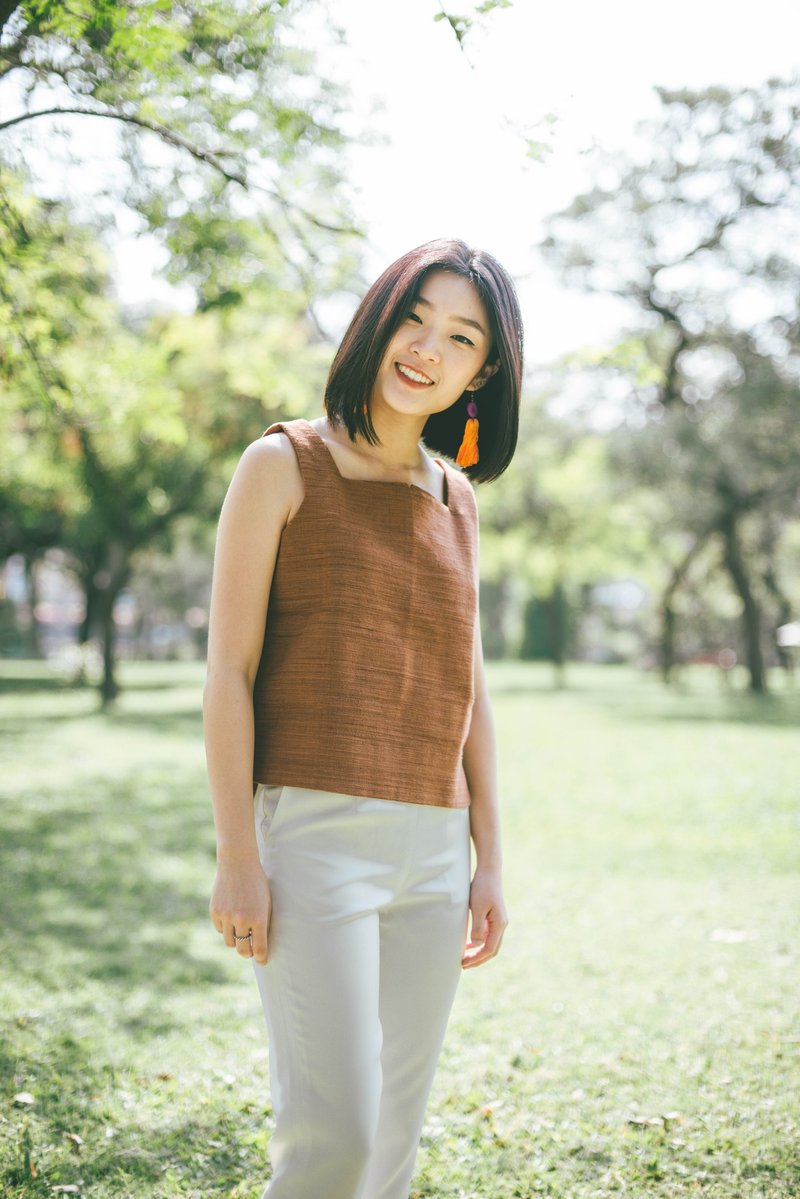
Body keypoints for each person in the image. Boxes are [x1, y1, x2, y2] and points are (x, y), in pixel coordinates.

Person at [203, 237, 524, 1199]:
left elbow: (467, 696)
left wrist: (490, 859)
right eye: (416, 317)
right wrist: (236, 854)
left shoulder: (456, 498)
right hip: (311, 839)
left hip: (434, 850)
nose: (427, 348)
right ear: (381, 315)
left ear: (483, 372)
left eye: (460, 338)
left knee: (391, 1143)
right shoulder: (283, 462)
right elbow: (229, 670)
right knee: (332, 1137)